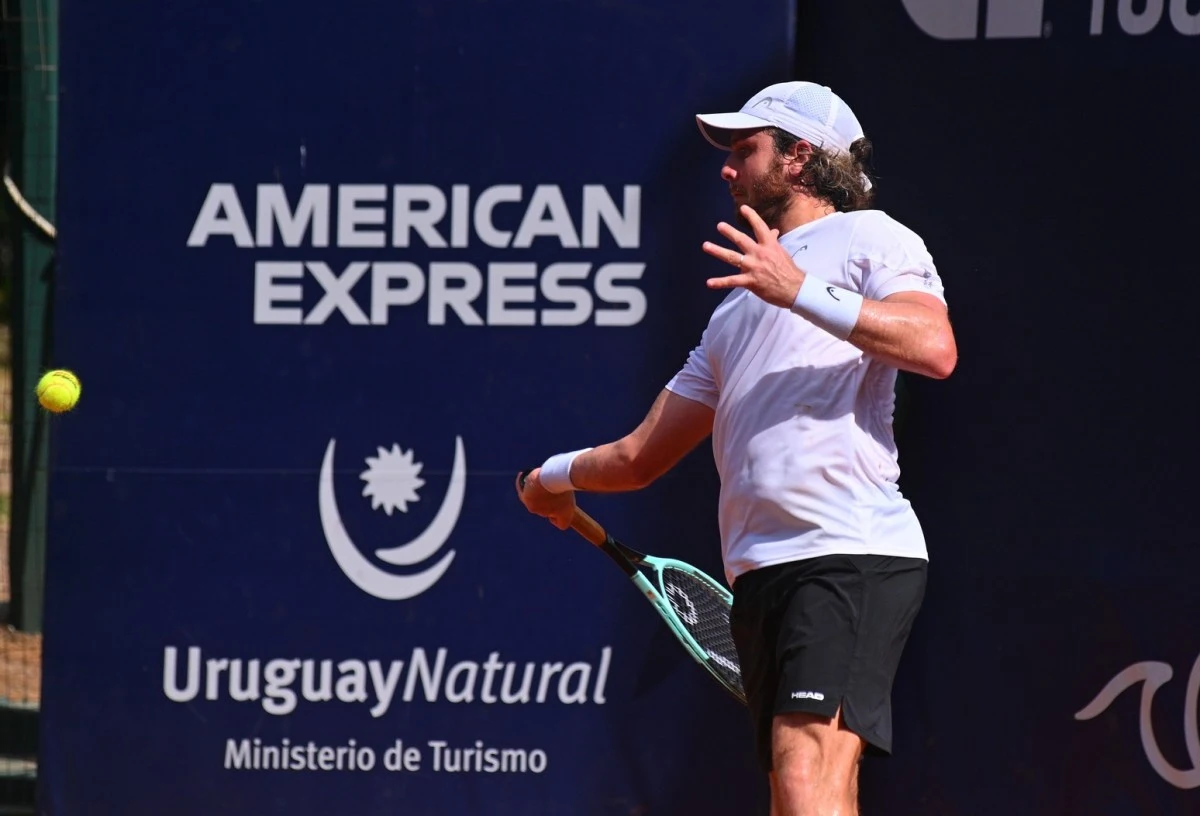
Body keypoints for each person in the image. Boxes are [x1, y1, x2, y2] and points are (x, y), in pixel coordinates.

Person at [516, 81, 957, 816]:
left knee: (804, 770)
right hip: (760, 574)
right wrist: (552, 479)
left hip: (848, 551)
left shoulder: (873, 237)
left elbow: (934, 346)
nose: (726, 167)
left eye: (745, 149)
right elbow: (639, 457)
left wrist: (799, 290)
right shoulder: (733, 311)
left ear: (799, 158)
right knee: (800, 791)